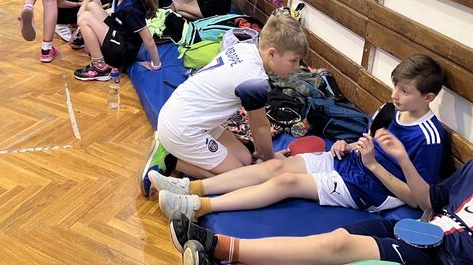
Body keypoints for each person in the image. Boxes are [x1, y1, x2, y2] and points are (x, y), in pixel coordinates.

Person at [172, 120, 473, 265]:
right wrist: (401, 159)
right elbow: (429, 202)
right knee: (332, 239)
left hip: (444, 259)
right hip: (420, 232)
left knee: (339, 247)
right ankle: (221, 245)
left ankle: (220, 248)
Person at [154, 55, 447, 221]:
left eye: (405, 91)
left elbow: (420, 201)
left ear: (429, 97)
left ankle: (197, 206)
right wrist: (350, 146)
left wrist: (373, 165)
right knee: (272, 166)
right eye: (395, 86)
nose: (394, 94)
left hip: (368, 189)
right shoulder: (388, 109)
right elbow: (366, 143)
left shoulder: (430, 138)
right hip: (347, 162)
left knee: (285, 182)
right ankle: (188, 186)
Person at [141, 12, 308, 196]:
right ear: (272, 53)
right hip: (183, 129)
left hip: (181, 114)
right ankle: (171, 159)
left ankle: (173, 150)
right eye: (293, 60)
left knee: (246, 159)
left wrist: (264, 154)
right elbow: (260, 127)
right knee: (243, 178)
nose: (296, 67)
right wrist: (271, 162)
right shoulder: (254, 78)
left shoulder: (244, 48)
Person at [73, 0, 161, 81]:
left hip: (121, 52)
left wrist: (156, 64)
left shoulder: (131, 9)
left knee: (85, 18)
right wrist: (82, 7)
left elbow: (148, 39)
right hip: (117, 33)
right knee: (90, 5)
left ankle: (100, 67)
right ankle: (89, 37)